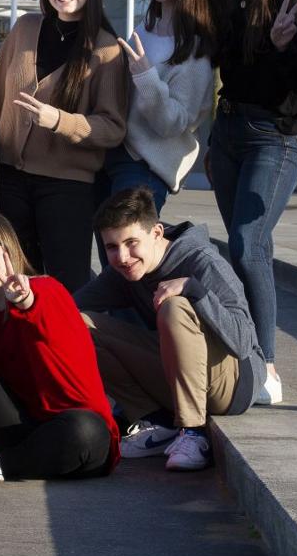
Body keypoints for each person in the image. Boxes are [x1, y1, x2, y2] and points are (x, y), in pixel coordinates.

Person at [206, 0, 297, 406]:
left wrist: (280, 46)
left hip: (275, 137)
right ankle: (246, 353)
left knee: (247, 241)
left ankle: (266, 363)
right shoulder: (214, 2)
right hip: (228, 133)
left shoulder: (284, 1)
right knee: (248, 250)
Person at [76, 187, 266, 471]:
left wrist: (193, 290)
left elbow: (242, 342)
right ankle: (158, 423)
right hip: (181, 376)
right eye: (111, 247)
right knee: (78, 324)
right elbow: (68, 306)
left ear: (156, 233)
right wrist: (27, 297)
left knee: (174, 306)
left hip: (233, 382)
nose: (123, 257)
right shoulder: (124, 273)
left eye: (131, 242)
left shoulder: (202, 261)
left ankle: (193, 433)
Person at [0, 212, 119, 487]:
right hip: (21, 429)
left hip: (75, 432)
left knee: (85, 430)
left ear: (7, 249)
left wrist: (24, 300)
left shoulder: (46, 289)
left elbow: (40, 315)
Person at [0, 0, 129, 293]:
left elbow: (113, 127)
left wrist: (60, 120)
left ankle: (69, 347)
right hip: (9, 178)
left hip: (67, 186)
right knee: (15, 280)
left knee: (68, 285)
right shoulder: (24, 28)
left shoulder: (106, 48)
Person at [102, 0, 216, 212]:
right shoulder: (143, 29)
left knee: (128, 249)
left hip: (145, 166)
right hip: (112, 152)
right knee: (109, 249)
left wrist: (146, 77)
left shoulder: (196, 49)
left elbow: (173, 123)